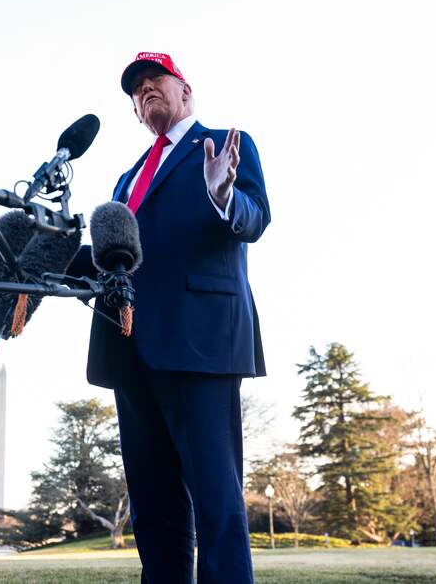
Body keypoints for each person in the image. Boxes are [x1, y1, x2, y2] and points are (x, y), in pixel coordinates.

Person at [70, 51, 270, 583]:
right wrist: (53, 253)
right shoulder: (126, 179)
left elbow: (255, 218)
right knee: (154, 512)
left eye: (155, 79)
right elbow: (109, 261)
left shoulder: (228, 144)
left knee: (216, 502)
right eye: (136, 91)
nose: (145, 92)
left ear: (186, 91)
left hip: (200, 342)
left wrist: (221, 194)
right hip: (130, 351)